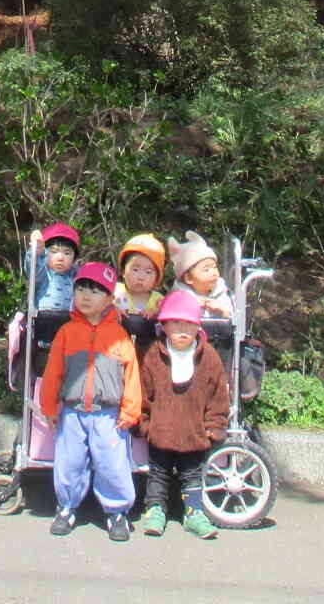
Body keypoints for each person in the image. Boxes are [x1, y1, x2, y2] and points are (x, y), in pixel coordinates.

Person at [37, 260, 143, 542]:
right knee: (69, 463)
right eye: (81, 288)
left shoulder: (120, 336)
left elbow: (131, 376)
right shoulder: (66, 333)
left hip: (109, 415)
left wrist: (131, 410)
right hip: (72, 414)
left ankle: (117, 512)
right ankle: (66, 507)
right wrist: (49, 406)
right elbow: (53, 374)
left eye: (95, 291)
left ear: (109, 298)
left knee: (112, 464)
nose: (86, 295)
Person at [137, 288, 229, 540]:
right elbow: (143, 393)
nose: (182, 330)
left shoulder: (209, 357)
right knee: (158, 474)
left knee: (192, 476)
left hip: (195, 432)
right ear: (164, 325)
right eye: (175, 323)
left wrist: (214, 427)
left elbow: (218, 396)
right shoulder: (153, 355)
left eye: (188, 324)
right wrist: (145, 424)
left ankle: (194, 514)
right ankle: (155, 511)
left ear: (198, 327)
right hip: (161, 431)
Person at [168, 230, 233, 319]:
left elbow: (232, 320)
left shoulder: (221, 293)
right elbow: (170, 320)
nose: (213, 273)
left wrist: (221, 309)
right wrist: (191, 307)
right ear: (188, 278)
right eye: (206, 270)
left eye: (214, 267)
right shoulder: (179, 297)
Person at [26, 222, 80, 313]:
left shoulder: (76, 277)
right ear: (44, 252)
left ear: (74, 258)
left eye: (67, 253)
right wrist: (36, 252)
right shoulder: (43, 274)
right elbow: (33, 266)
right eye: (54, 251)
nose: (60, 258)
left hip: (70, 322)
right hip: (44, 320)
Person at [114, 234, 167, 317]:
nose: (141, 277)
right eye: (135, 270)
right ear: (123, 271)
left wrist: (156, 313)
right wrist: (111, 310)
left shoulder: (159, 301)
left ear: (157, 278)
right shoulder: (114, 291)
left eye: (148, 272)